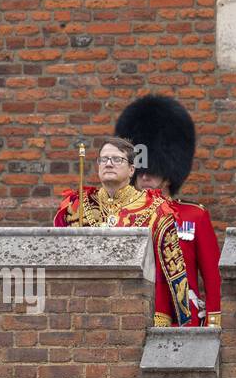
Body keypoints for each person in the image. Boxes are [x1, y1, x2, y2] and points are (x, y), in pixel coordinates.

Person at [54, 136, 193, 326]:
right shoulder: (77, 206)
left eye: (117, 159)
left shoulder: (156, 208)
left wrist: (161, 317)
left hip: (135, 310)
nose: (109, 164)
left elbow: (170, 269)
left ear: (131, 170)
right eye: (104, 159)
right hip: (84, 307)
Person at [116, 94, 221, 328]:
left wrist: (213, 323)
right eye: (140, 170)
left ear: (168, 171)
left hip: (183, 321)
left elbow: (212, 277)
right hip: (132, 319)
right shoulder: (121, 216)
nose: (145, 176)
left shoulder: (194, 216)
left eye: (153, 169)